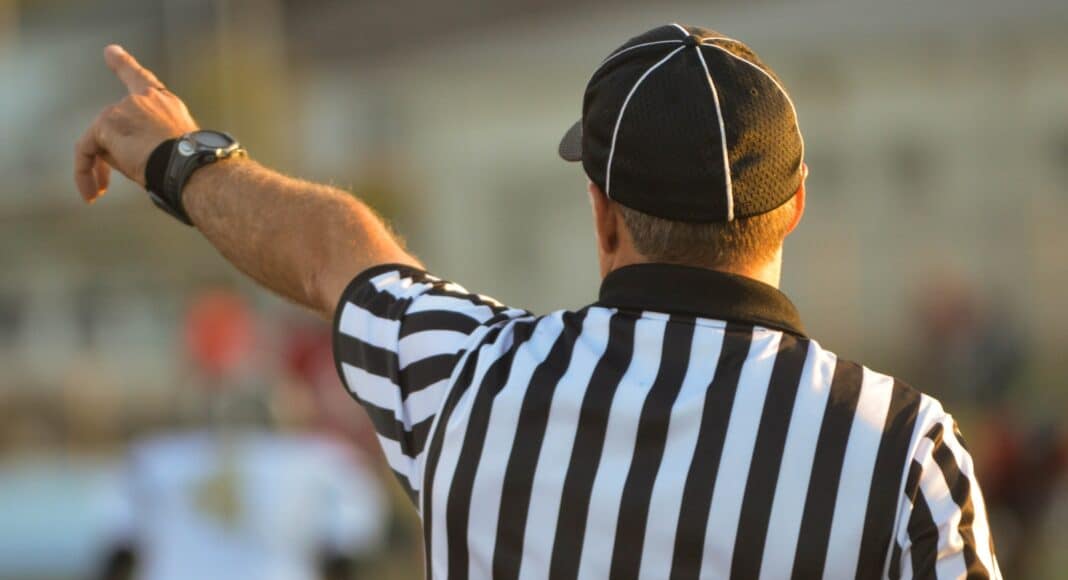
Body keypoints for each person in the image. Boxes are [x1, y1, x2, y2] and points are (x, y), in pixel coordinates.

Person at [74, 23, 1000, 579]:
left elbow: (329, 255)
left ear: (601, 212)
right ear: (794, 206)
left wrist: (178, 156)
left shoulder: (466, 380)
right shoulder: (904, 448)